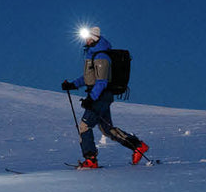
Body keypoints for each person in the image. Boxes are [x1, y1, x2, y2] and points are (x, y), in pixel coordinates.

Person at [61, 26, 149, 168]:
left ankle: (91, 159)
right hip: (100, 96)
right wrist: (72, 85)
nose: (86, 40)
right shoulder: (93, 54)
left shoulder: (101, 56)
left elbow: (102, 81)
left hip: (100, 96)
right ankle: (139, 146)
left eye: (88, 38)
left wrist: (91, 98)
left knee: (84, 126)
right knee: (107, 129)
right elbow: (89, 78)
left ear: (94, 38)